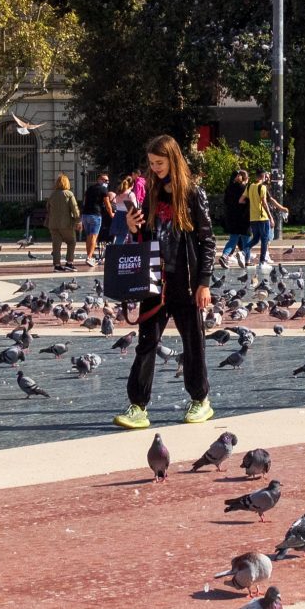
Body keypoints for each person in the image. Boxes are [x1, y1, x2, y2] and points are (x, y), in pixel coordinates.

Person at [113, 134, 216, 431]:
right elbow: (146, 234)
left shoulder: (193, 194)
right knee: (146, 343)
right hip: (155, 282)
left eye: (159, 163)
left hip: (185, 281)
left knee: (193, 342)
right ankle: (138, 406)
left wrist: (204, 282)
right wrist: (133, 225)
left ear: (173, 159)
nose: (155, 168)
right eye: (151, 164)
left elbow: (207, 240)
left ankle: (200, 400)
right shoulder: (152, 192)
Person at [48, 173, 82, 271]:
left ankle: (57, 265)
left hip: (53, 224)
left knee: (56, 245)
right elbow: (75, 209)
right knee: (72, 242)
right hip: (66, 224)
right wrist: (78, 221)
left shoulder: (52, 195)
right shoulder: (69, 194)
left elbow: (48, 208)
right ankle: (69, 262)